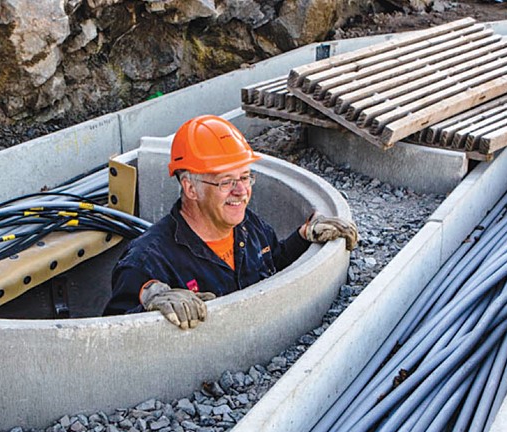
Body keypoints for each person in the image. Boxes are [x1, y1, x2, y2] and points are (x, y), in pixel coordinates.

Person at [103, 115, 358, 329]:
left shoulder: (249, 226)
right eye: (226, 182)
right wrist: (151, 307)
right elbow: (111, 335)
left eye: (245, 177)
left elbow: (273, 264)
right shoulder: (147, 261)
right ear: (190, 188)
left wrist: (304, 237)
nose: (241, 192)